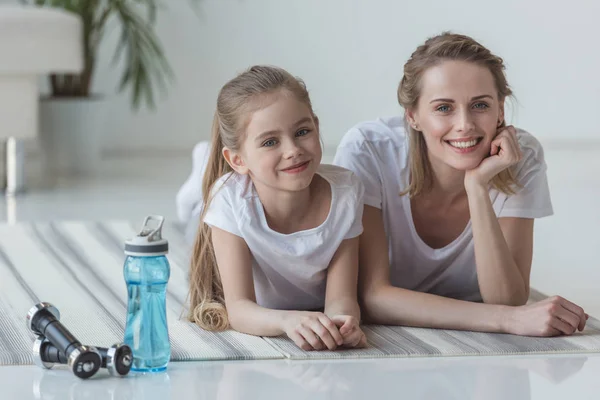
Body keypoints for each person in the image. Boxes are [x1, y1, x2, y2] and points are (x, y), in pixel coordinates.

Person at [333, 32, 588, 337]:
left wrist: (477, 187)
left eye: (480, 105)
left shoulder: (521, 156)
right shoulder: (368, 149)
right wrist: (506, 320)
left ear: (501, 110)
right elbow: (372, 297)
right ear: (413, 116)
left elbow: (508, 298)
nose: (465, 124)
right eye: (443, 108)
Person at [186, 65, 367, 351]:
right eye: (270, 141)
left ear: (317, 127)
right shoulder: (229, 200)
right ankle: (199, 175)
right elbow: (239, 308)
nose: (292, 150)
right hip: (216, 211)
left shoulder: (346, 192)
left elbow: (342, 297)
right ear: (238, 160)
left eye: (302, 131)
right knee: (193, 211)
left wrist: (341, 323)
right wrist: (288, 322)